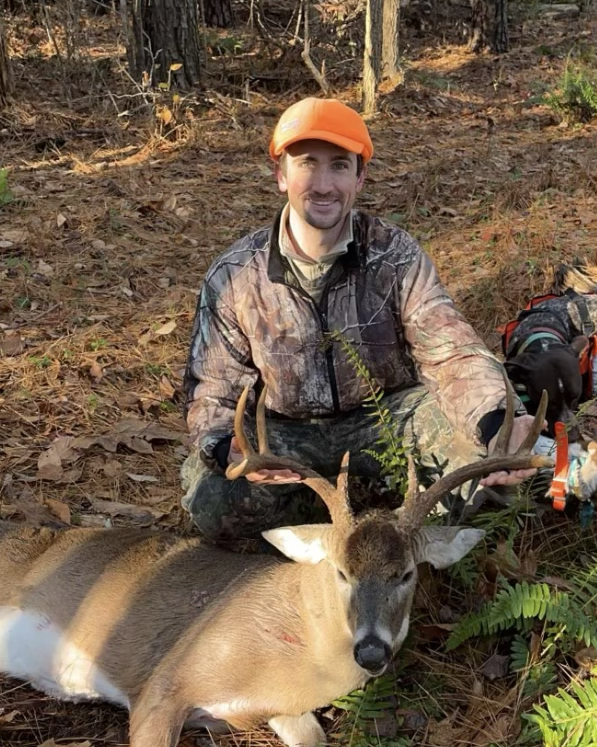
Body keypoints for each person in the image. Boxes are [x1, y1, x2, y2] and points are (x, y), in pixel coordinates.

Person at [181, 97, 535, 540]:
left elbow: (451, 350)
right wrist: (223, 447)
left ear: (360, 177)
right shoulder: (235, 276)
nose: (324, 184)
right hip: (289, 433)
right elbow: (212, 387)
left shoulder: (395, 255)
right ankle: (313, 528)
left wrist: (497, 420)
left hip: (391, 417)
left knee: (490, 473)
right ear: (280, 175)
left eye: (340, 166)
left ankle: (412, 555)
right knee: (214, 500)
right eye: (307, 163)